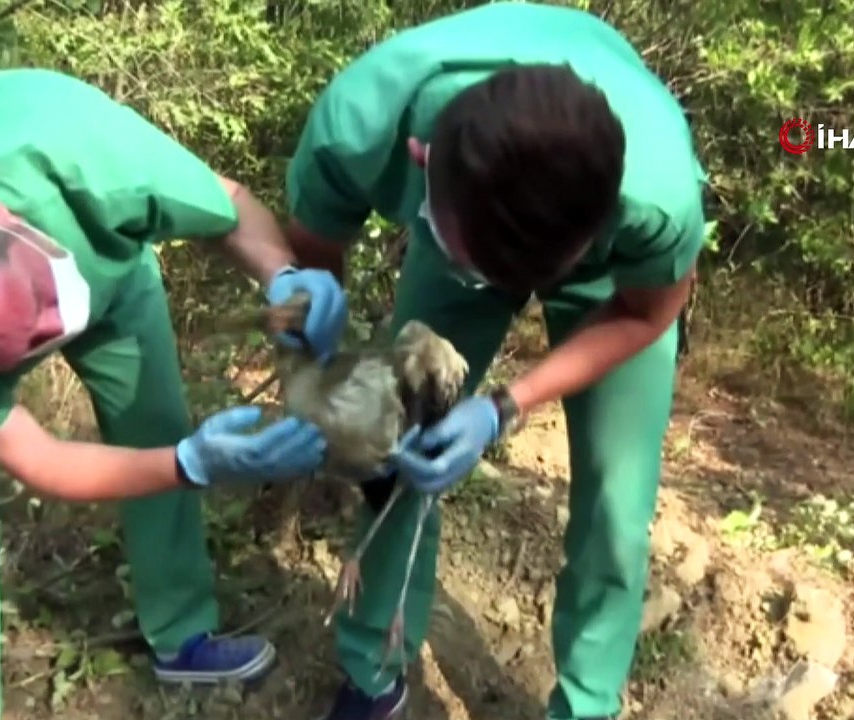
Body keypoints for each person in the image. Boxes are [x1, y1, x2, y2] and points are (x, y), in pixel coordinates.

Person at [0, 68, 347, 720]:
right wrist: (195, 464)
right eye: (19, 349)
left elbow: (230, 205)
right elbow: (41, 459)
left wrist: (283, 275)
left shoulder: (90, 158)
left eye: (37, 305)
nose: (52, 333)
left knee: (154, 424)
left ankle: (182, 632)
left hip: (105, 267)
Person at [283, 3, 707, 719]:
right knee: (400, 448)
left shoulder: (657, 194)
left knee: (615, 504)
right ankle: (374, 672)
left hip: (610, 286)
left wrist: (503, 407)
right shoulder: (363, 123)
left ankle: (587, 703)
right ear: (422, 165)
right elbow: (316, 255)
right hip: (454, 226)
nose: (508, 290)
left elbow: (646, 311)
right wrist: (329, 376)